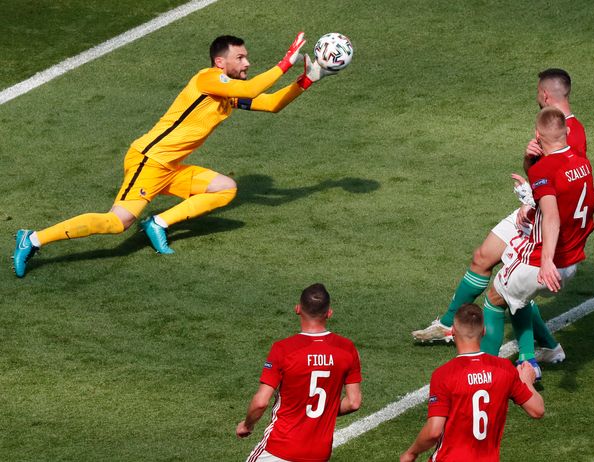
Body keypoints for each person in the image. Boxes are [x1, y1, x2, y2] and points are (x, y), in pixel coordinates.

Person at [13, 33, 334, 277]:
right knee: (117, 222)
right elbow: (251, 90)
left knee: (225, 188)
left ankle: (159, 223)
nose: (247, 64)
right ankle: (33, 238)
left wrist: (307, 79)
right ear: (221, 62)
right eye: (241, 58)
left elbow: (270, 103)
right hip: (148, 161)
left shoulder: (228, 95)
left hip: (170, 166)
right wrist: (285, 62)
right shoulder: (208, 80)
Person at [412, 68, 586, 365]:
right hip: (533, 207)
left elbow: (562, 190)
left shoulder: (573, 133)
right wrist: (529, 160)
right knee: (483, 257)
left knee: (510, 288)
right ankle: (448, 324)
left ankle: (533, 355)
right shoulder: (555, 126)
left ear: (544, 94)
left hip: (540, 218)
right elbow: (544, 172)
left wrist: (531, 203)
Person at [481, 107, 594, 380]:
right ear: (566, 132)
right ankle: (533, 356)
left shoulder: (545, 168)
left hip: (545, 262)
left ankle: (484, 372)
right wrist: (531, 192)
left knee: (494, 299)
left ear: (537, 134)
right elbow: (564, 201)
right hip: (571, 262)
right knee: (518, 298)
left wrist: (545, 263)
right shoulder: (582, 161)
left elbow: (553, 217)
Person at [400, 303, 543, 462]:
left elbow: (434, 431)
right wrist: (527, 382)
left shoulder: (444, 375)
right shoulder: (505, 369)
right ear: (484, 331)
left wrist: (411, 452)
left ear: (453, 332)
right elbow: (537, 410)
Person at [236, 283, 362, 462]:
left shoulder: (283, 349)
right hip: (319, 454)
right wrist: (324, 410)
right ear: (329, 313)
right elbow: (353, 402)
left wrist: (247, 425)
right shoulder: (347, 349)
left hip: (279, 449)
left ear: (297, 309)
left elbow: (260, 403)